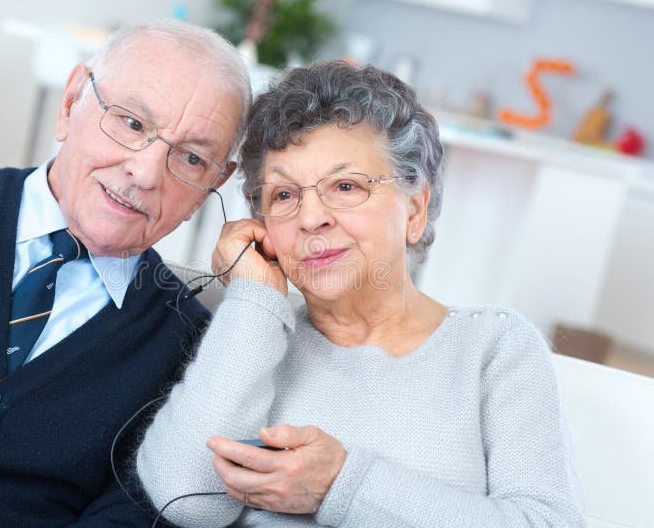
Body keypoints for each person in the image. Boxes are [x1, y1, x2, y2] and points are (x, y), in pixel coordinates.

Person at [137, 61, 585, 527]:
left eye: (345, 186)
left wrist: (340, 484)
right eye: (284, 196)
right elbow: (187, 501)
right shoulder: (254, 334)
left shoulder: (494, 349)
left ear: (415, 208)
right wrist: (254, 297)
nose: (312, 218)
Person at [0, 20, 249, 526]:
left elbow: (128, 516)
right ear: (71, 104)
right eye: (131, 123)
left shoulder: (187, 348)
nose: (146, 173)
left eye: (191, 158)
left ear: (213, 184)